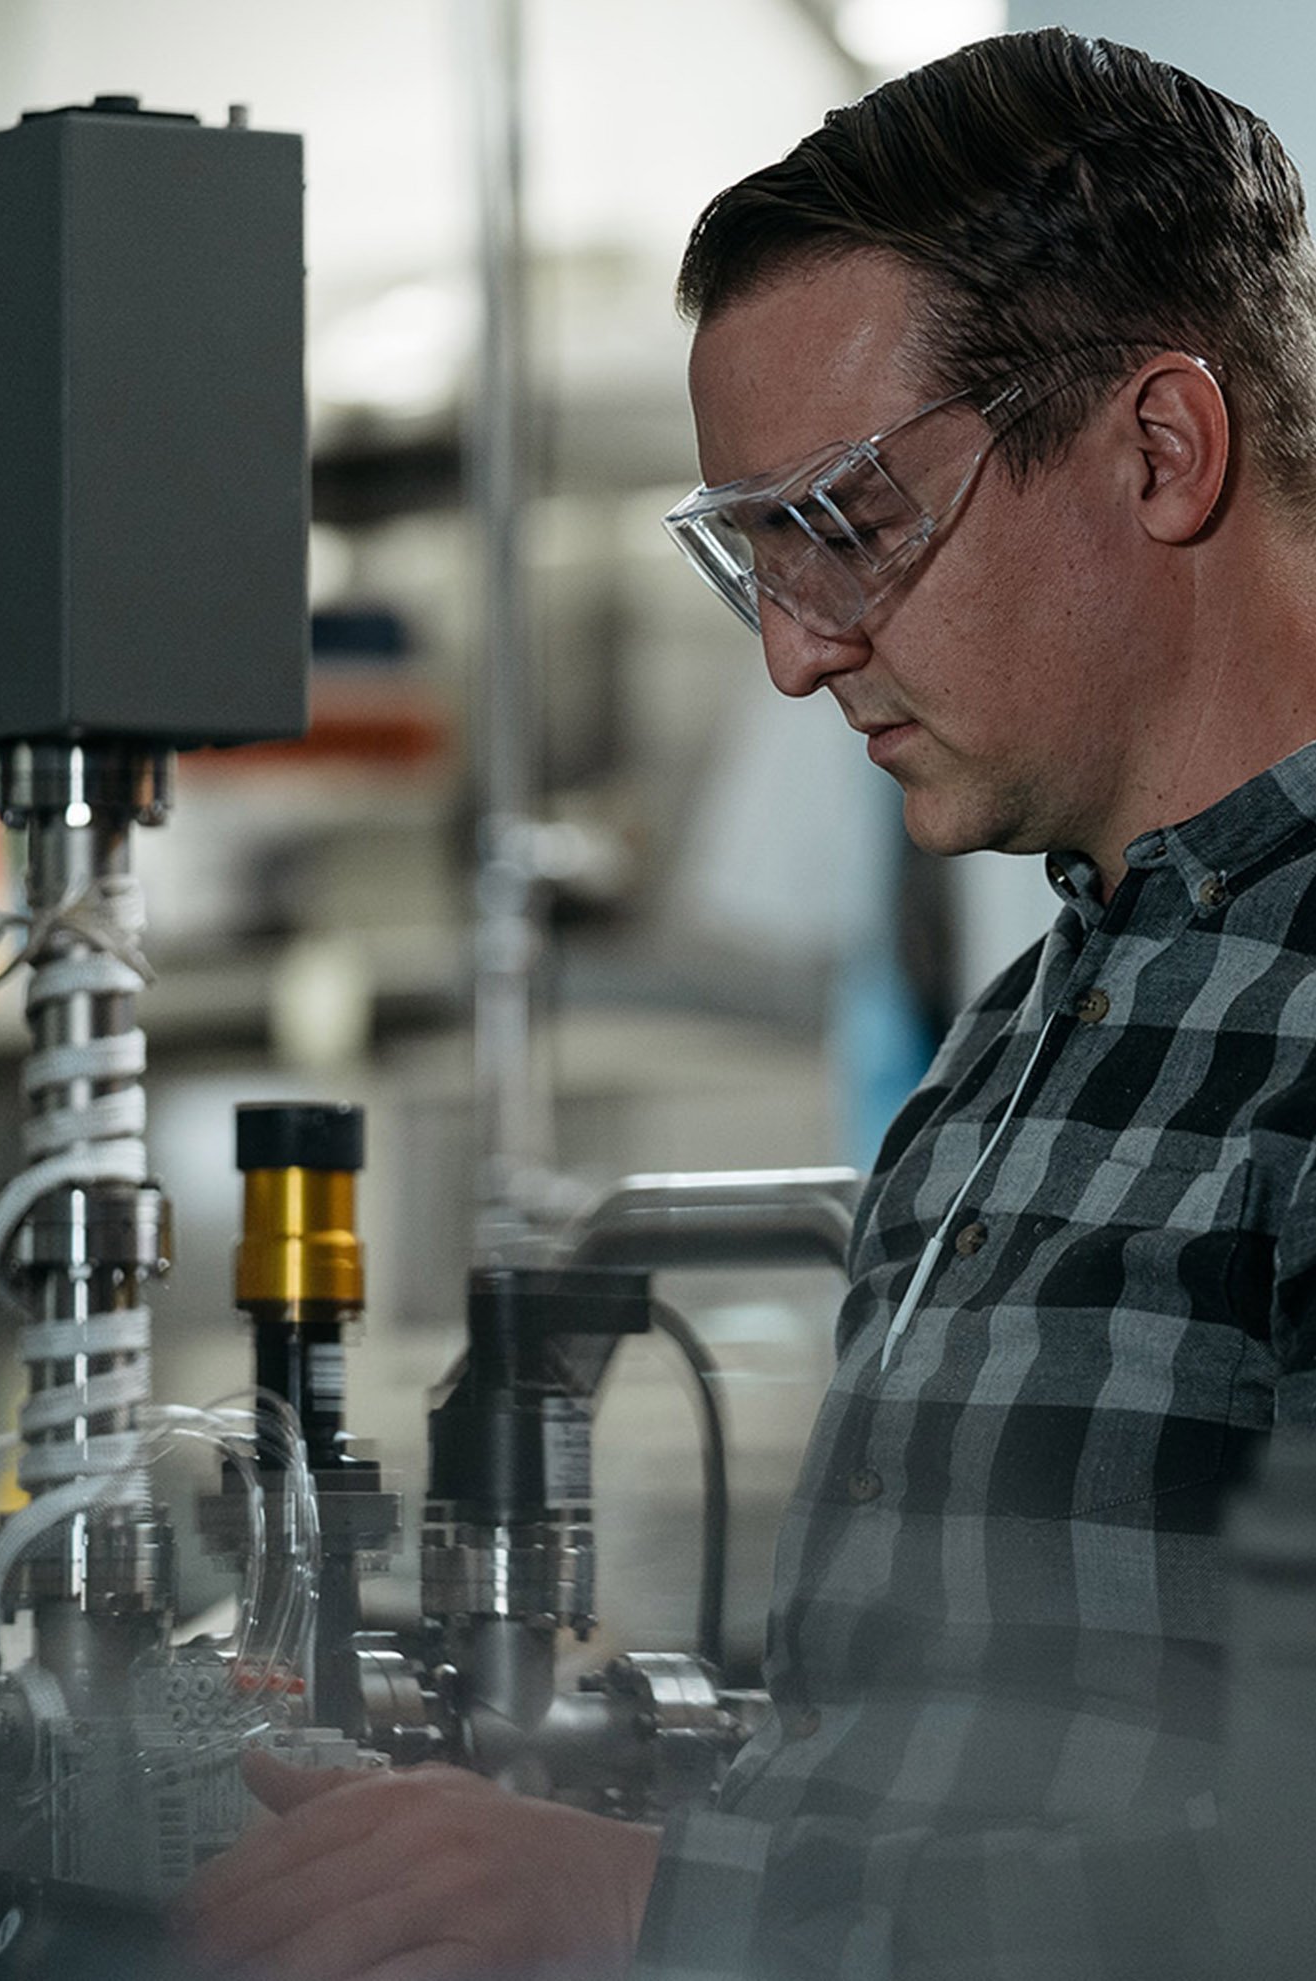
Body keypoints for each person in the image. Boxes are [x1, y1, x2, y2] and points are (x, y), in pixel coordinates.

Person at [181, 27, 1316, 1978]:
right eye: (749, 558)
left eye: (848, 525)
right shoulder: (1010, 1053)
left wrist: (644, 1902)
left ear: (1158, 448)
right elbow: (932, 1793)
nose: (794, 654)